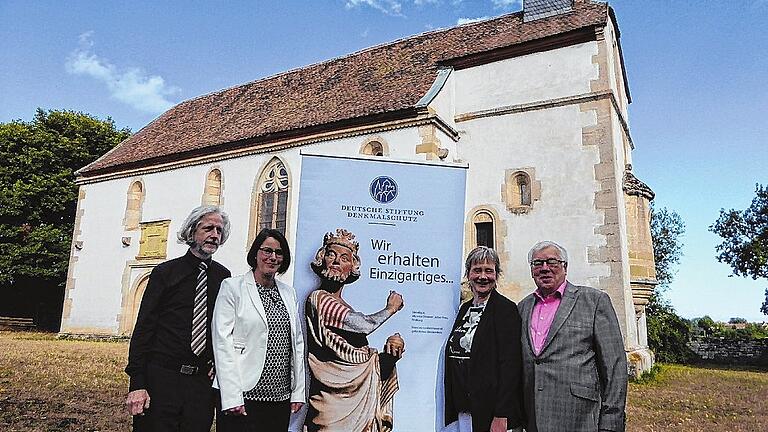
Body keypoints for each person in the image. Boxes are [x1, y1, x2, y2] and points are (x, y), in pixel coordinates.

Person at [124, 205, 232, 431]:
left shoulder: (224, 278)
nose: (214, 235)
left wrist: (216, 359)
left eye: (219, 231)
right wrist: (137, 384)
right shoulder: (165, 273)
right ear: (192, 232)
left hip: (200, 387)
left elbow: (223, 327)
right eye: (208, 228)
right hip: (162, 380)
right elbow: (144, 329)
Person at [518, 241, 627, 432]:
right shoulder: (522, 308)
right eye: (537, 263)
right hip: (533, 420)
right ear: (531, 269)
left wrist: (611, 423)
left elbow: (615, 367)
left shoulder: (593, 301)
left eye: (552, 262)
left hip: (580, 418)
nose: (544, 268)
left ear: (565, 267)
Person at [304, 228, 405, 432]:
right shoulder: (319, 299)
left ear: (352, 267)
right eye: (331, 254)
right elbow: (363, 326)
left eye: (344, 258)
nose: (336, 261)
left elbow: (358, 358)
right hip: (331, 404)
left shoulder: (344, 306)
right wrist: (391, 308)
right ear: (322, 258)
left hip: (358, 398)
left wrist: (389, 356)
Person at [211, 228, 305, 432]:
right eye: (267, 251)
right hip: (243, 396)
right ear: (255, 253)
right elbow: (222, 343)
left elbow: (296, 344)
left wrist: (298, 392)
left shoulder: (289, 293)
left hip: (279, 398)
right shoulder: (232, 287)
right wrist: (231, 396)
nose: (273, 257)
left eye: (278, 253)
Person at [444, 246, 523, 432]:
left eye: (489, 271)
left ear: (497, 275)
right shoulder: (463, 309)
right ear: (468, 274)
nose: (483, 276)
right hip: (464, 408)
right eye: (477, 270)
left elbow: (510, 366)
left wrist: (502, 414)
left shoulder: (506, 310)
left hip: (491, 411)